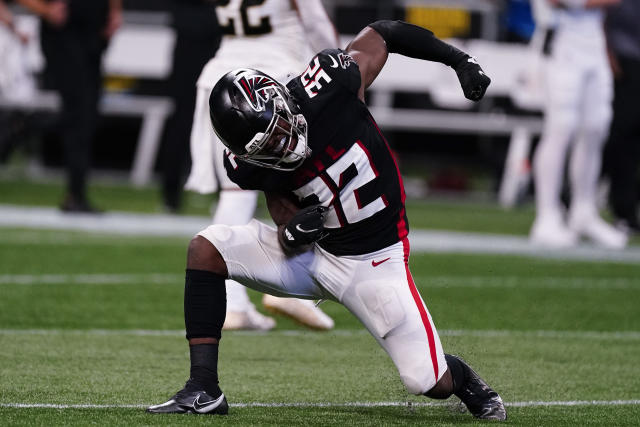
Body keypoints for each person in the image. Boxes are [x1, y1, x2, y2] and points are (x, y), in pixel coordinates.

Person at [147, 20, 506, 421]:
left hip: (376, 261)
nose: (284, 145)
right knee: (206, 248)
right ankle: (203, 389)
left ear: (283, 100)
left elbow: (384, 33)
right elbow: (280, 205)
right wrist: (291, 230)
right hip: (315, 256)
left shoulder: (328, 84)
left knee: (428, 381)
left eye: (279, 131)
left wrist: (458, 60)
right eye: (268, 147)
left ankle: (465, 380)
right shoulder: (248, 165)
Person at [185, 0, 339, 331]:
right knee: (301, 184)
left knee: (234, 193)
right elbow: (316, 24)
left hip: (222, 81)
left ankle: (234, 304)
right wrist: (341, 73)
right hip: (271, 81)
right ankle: (290, 288)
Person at [529, 0, 627, 248]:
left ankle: (583, 211)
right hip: (561, 43)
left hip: (592, 43)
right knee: (561, 128)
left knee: (596, 127)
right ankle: (546, 215)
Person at [17, 0, 122, 213]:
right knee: (79, 114)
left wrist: (114, 11)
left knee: (88, 115)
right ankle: (75, 194)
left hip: (93, 32)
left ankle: (75, 194)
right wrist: (45, 10)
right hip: (64, 33)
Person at [160, 0, 221, 213]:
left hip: (217, 50)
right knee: (182, 123)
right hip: (190, 51)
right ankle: (171, 193)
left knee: (226, 123)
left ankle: (230, 191)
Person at [603, 0, 640, 234]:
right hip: (623, 54)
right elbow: (602, 13)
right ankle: (623, 208)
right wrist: (606, 52)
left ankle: (626, 207)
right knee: (621, 132)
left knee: (630, 135)